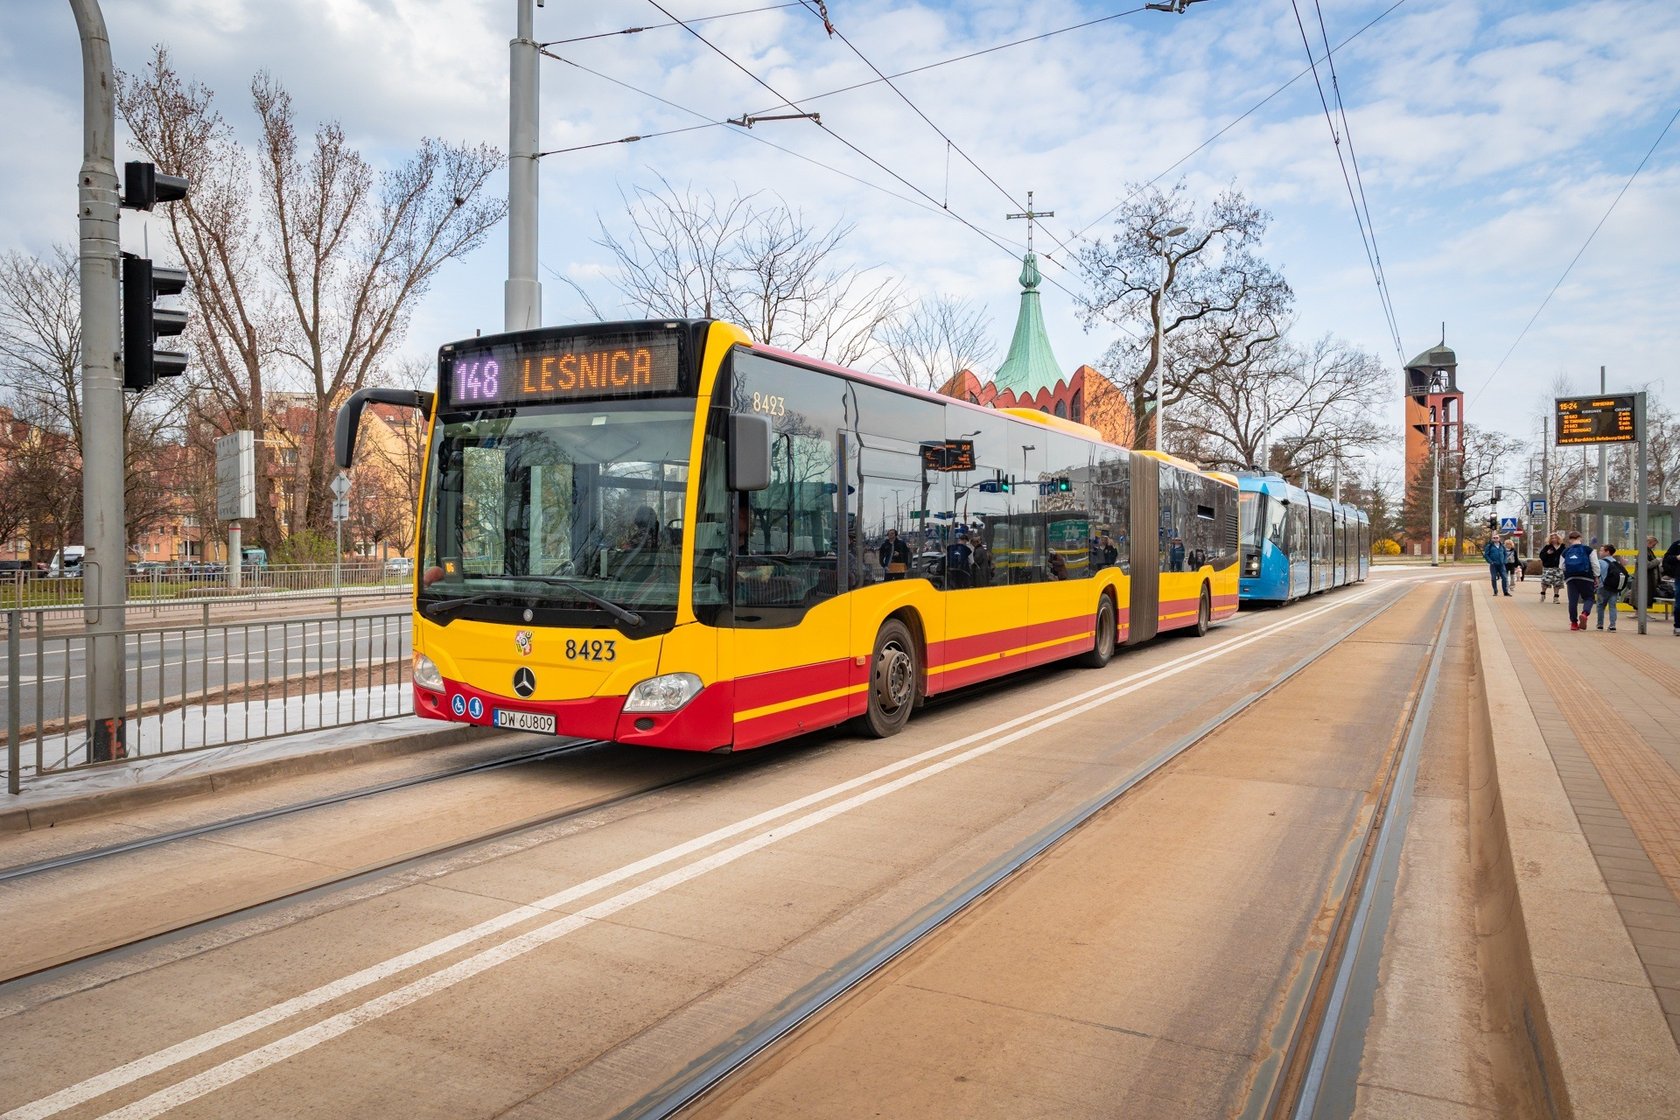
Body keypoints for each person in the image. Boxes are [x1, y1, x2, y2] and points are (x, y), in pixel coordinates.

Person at [1559, 530, 1597, 631]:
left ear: (1570, 540)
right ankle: (1585, 613)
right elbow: (1595, 564)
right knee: (1589, 598)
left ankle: (1574, 623)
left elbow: (1561, 566)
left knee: (1573, 601)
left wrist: (1570, 572)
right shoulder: (1589, 550)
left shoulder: (1565, 551)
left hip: (1571, 578)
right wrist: (1596, 576)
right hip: (1587, 577)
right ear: (1580, 538)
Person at [1594, 544, 1627, 631]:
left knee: (1601, 606)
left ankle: (1600, 625)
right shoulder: (1616, 562)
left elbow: (1596, 573)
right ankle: (1612, 625)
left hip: (1603, 587)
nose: (1600, 552)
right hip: (1614, 587)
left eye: (1601, 550)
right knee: (1612, 606)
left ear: (1607, 552)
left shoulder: (1600, 562)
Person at [1537, 532, 1563, 603]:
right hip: (1548, 567)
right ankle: (1543, 594)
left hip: (1558, 568)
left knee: (1557, 583)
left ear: (1558, 539)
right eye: (1552, 538)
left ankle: (1556, 597)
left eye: (1555, 538)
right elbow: (1541, 556)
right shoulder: (1547, 547)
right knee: (1545, 582)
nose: (1554, 539)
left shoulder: (1562, 547)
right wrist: (1547, 553)